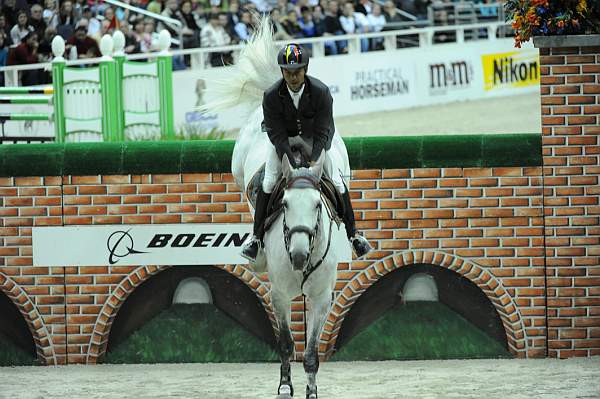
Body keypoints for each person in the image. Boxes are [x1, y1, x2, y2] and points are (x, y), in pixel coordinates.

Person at [240, 43, 372, 262]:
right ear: (282, 71)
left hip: (315, 141)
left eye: (297, 72)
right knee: (269, 181)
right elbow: (276, 133)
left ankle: (354, 236)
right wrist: (289, 160)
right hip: (283, 143)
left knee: (338, 181)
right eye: (288, 72)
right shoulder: (271, 95)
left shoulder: (321, 92)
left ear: (305, 69)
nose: (293, 77)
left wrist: (315, 159)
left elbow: (325, 129)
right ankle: (256, 238)